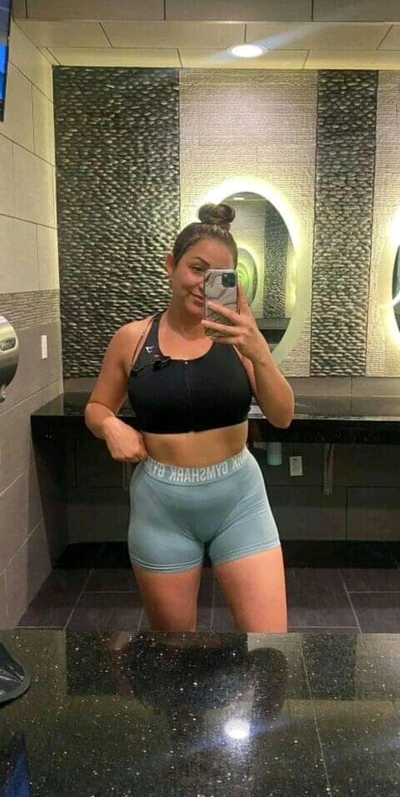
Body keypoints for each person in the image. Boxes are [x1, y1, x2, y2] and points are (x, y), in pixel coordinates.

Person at [85, 203, 294, 633]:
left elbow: (282, 416)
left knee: (270, 647)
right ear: (171, 265)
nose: (204, 284)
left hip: (240, 501)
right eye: (196, 269)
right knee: (174, 654)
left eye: (219, 277)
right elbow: (96, 407)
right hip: (162, 508)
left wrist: (259, 351)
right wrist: (109, 426)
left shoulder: (239, 339)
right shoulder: (132, 339)